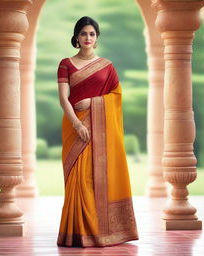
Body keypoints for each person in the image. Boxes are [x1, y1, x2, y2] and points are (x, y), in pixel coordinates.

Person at [56, 16, 138, 247]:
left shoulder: (107, 66)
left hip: (100, 128)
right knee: (78, 179)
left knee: (97, 177)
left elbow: (116, 96)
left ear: (97, 38)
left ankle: (103, 231)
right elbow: (64, 98)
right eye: (83, 34)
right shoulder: (66, 63)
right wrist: (77, 124)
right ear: (76, 37)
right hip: (75, 127)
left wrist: (93, 103)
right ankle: (77, 233)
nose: (88, 38)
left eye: (92, 34)